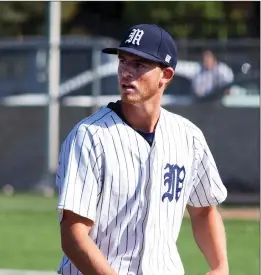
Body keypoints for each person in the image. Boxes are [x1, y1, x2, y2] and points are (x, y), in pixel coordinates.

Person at [55, 24, 228, 275]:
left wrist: (221, 266)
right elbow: (73, 233)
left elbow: (203, 211)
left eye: (139, 65)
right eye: (123, 61)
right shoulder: (90, 136)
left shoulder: (188, 137)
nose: (126, 72)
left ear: (166, 75)